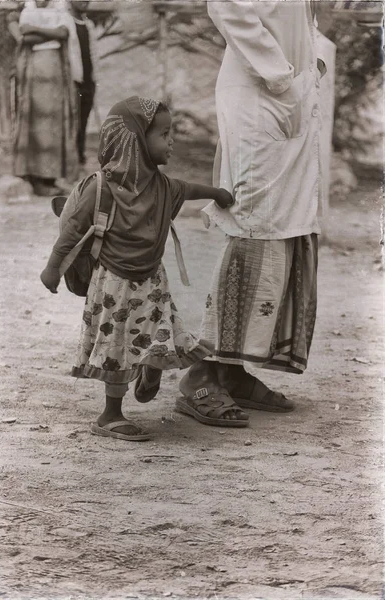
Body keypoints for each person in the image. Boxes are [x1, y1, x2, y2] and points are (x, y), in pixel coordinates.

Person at [40, 95, 237, 441]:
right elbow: (71, 232)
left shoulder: (161, 186)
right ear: (134, 140)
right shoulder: (100, 188)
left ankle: (150, 365)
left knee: (160, 332)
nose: (171, 140)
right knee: (116, 346)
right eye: (163, 134)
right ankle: (110, 415)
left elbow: (189, 189)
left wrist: (217, 193)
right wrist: (52, 269)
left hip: (152, 282)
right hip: (114, 286)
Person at [176, 1, 327, 427]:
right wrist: (281, 75)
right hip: (264, 92)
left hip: (288, 92)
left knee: (284, 225)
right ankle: (201, 374)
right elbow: (228, 6)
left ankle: (232, 370)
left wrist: (306, 71)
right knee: (254, 224)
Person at [13, 0, 81, 196]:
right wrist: (49, 33)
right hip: (36, 68)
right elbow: (24, 33)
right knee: (37, 120)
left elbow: (63, 33)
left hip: (56, 67)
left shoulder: (60, 8)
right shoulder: (28, 9)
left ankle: (51, 177)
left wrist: (36, 31)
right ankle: (36, 178)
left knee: (54, 122)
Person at [67, 0, 99, 166]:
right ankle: (70, 158)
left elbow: (92, 53)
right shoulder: (65, 22)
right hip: (73, 80)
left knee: (84, 119)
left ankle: (80, 155)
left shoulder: (89, 25)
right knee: (72, 121)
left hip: (88, 80)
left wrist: (94, 78)